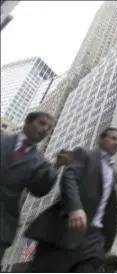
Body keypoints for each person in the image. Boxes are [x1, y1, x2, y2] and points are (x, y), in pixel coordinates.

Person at [25, 127, 117, 272]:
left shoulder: (112, 171)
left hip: (96, 238)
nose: (116, 143)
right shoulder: (84, 154)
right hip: (69, 229)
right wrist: (75, 208)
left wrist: (106, 239)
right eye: (113, 138)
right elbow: (69, 178)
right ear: (101, 139)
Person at [0, 111, 73, 262]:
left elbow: (39, 190)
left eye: (49, 128)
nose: (46, 129)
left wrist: (57, 165)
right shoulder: (2, 139)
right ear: (28, 122)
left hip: (3, 224)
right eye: (42, 123)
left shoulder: (39, 161)